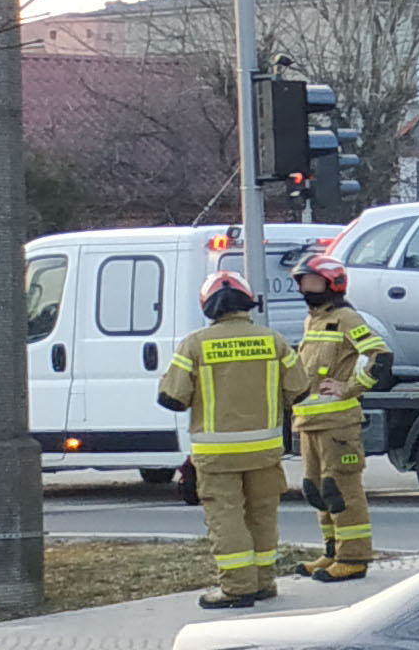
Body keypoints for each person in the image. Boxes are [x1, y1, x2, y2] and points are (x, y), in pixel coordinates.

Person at [159, 270, 288, 606]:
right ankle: (263, 583)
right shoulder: (273, 341)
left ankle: (237, 588)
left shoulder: (194, 344)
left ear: (208, 306)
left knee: (227, 518)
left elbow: (172, 397)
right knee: (262, 515)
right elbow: (299, 389)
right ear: (247, 301)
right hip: (265, 451)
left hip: (217, 455)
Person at [285, 250, 392, 581]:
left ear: (332, 284)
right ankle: (332, 551)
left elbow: (380, 357)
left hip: (338, 424)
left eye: (313, 282)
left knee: (341, 489)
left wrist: (349, 388)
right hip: (310, 422)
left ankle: (354, 557)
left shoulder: (347, 319)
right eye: (303, 283)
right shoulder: (312, 320)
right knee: (317, 489)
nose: (306, 289)